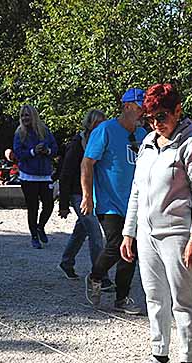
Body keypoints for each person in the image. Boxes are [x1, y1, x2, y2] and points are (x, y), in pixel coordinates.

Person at [120, 84, 192, 363]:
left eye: (162, 116)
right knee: (154, 296)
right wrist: (129, 231)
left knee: (184, 299)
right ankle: (160, 358)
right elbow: (137, 189)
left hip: (177, 233)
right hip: (147, 233)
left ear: (177, 111)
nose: (156, 123)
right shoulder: (147, 143)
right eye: (150, 118)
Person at [81, 88, 147, 314]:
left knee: (131, 250)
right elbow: (87, 163)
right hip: (109, 202)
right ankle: (95, 276)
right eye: (139, 108)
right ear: (127, 106)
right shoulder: (105, 130)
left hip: (135, 203)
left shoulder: (143, 134)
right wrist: (87, 196)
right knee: (116, 243)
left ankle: (122, 298)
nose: (142, 112)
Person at [57, 109, 112, 288]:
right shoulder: (76, 145)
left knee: (81, 229)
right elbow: (65, 174)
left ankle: (66, 262)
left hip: (94, 192)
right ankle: (100, 275)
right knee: (95, 232)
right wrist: (63, 204)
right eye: (97, 123)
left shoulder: (102, 142)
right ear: (90, 124)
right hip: (78, 193)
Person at [13, 104, 58, 249]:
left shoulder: (44, 131)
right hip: (28, 176)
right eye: (22, 115)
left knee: (49, 205)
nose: (25, 118)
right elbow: (18, 153)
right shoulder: (19, 133)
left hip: (44, 174)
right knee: (33, 207)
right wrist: (33, 151)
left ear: (33, 116)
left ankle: (40, 226)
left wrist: (47, 151)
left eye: (27, 115)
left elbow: (55, 149)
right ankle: (34, 236)